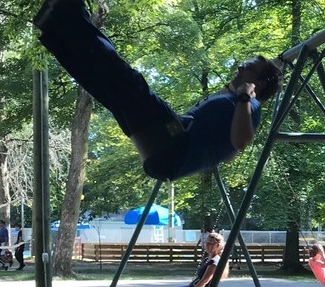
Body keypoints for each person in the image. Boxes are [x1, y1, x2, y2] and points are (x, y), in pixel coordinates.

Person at [34, 0, 282, 181]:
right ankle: (55, 29)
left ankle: (67, 11)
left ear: (259, 83)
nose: (239, 66)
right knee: (106, 86)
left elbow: (242, 141)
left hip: (173, 143)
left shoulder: (250, 106)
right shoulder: (236, 106)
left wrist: (243, 97)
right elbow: (229, 154)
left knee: (126, 78)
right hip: (163, 153)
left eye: (248, 66)